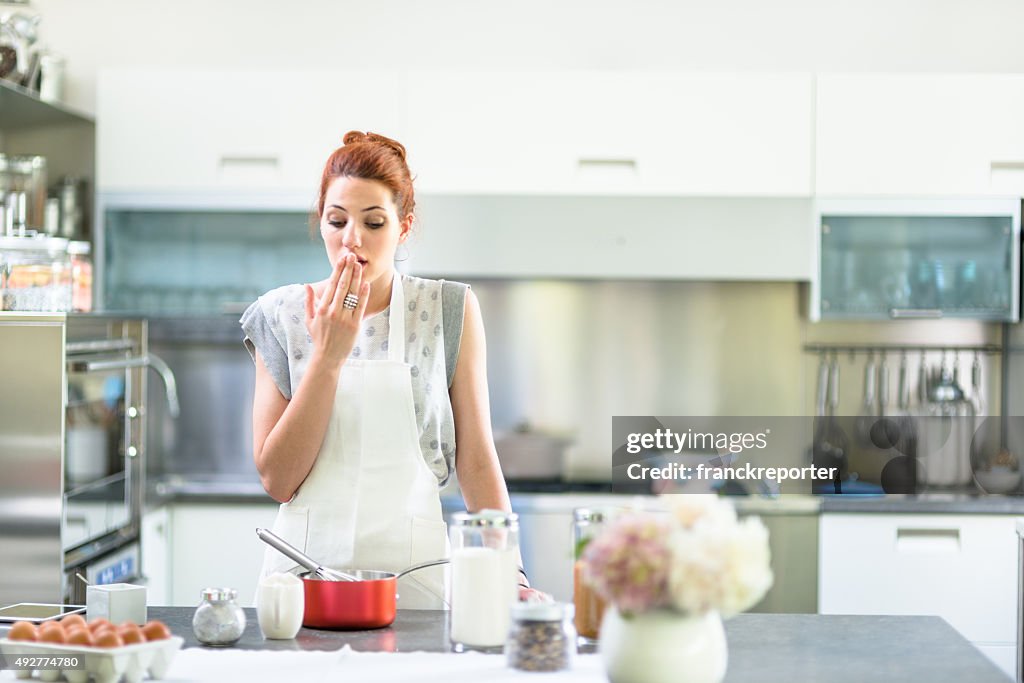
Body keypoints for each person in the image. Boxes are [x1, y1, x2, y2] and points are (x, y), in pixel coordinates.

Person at [241, 131, 538, 608]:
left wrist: (513, 575)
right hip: (304, 579)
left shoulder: (447, 309)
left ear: (403, 227)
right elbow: (278, 480)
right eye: (336, 221)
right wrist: (328, 357)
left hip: (415, 577)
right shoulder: (281, 316)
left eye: (374, 222)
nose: (351, 240)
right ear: (320, 222)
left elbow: (477, 458)